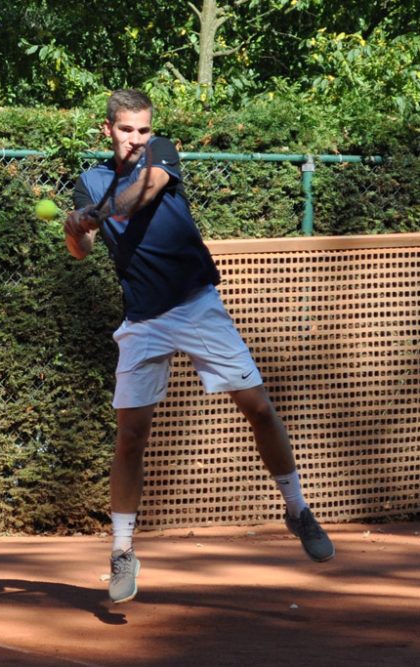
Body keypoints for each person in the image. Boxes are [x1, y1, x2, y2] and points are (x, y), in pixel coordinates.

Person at [64, 89, 334, 604]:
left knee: (258, 408)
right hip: (143, 319)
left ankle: (297, 510)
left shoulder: (162, 155)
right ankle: (122, 551)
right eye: (127, 130)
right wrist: (76, 227)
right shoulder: (91, 182)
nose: (137, 139)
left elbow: (141, 194)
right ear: (108, 130)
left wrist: (99, 214)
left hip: (196, 304)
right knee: (130, 435)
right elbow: (81, 250)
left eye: (143, 129)